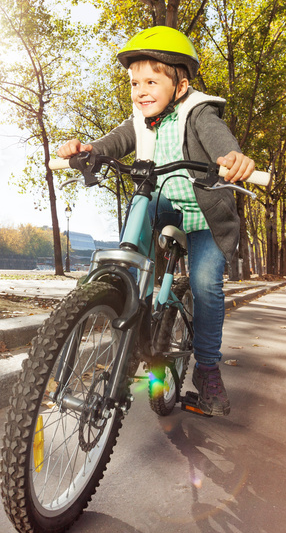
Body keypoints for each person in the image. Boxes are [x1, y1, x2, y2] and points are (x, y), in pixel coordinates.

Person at [56, 26, 255, 416]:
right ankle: (133, 328)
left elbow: (218, 138)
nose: (140, 90)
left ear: (179, 87)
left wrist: (232, 159)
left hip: (206, 218)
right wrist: (88, 150)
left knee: (204, 284)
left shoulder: (198, 111)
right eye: (134, 82)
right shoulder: (140, 119)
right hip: (163, 205)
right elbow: (114, 141)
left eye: (151, 80)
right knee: (131, 253)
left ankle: (208, 370)